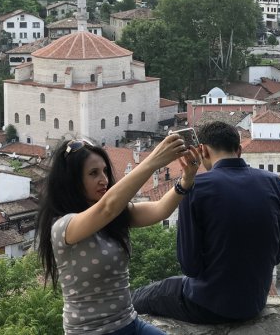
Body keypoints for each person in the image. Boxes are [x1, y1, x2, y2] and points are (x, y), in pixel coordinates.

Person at [35, 134, 201, 335]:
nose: (103, 179)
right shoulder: (63, 226)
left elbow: (160, 210)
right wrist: (154, 160)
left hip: (130, 323)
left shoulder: (114, 216)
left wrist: (186, 180)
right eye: (93, 173)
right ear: (72, 180)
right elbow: (107, 208)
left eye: (104, 171)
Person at [132, 121, 280, 324]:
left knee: (139, 297)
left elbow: (190, 266)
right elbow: (277, 255)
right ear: (239, 150)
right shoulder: (273, 182)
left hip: (209, 305)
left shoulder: (195, 187)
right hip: (254, 303)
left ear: (202, 150)